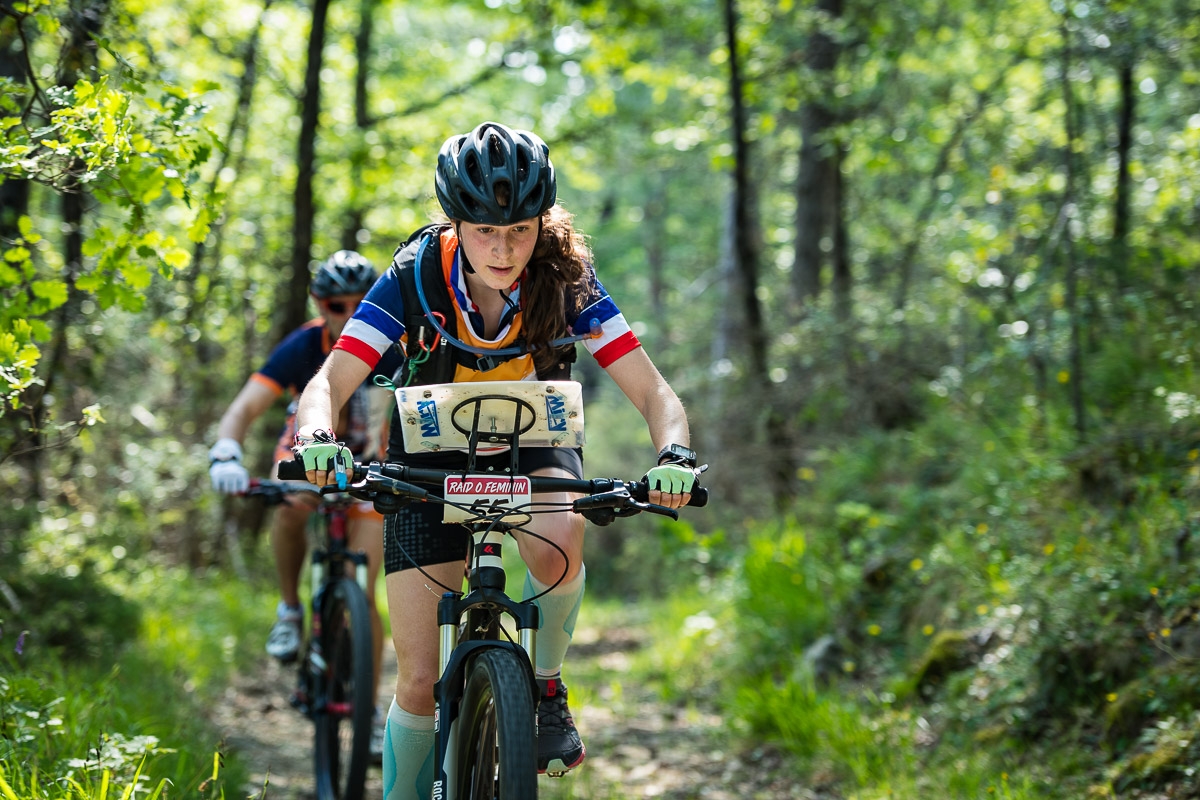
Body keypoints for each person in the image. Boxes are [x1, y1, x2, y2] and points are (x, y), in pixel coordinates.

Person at [291, 122, 699, 799]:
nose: (504, 248)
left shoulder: (568, 278)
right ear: (456, 223)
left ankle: (544, 686)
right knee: (419, 678)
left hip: (535, 435)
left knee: (563, 534)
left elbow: (654, 391)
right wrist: (314, 439)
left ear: (543, 224)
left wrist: (675, 453)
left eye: (520, 230)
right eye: (485, 231)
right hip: (429, 445)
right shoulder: (414, 276)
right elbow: (330, 382)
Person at [207, 249, 401, 757]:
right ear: (321, 305)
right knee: (289, 499)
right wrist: (226, 450)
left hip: (372, 470)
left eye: (363, 304)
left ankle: (371, 707)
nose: (351, 314)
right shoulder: (303, 345)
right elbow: (246, 407)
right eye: (339, 305)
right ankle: (290, 607)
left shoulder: (398, 348)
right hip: (306, 461)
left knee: (363, 586)